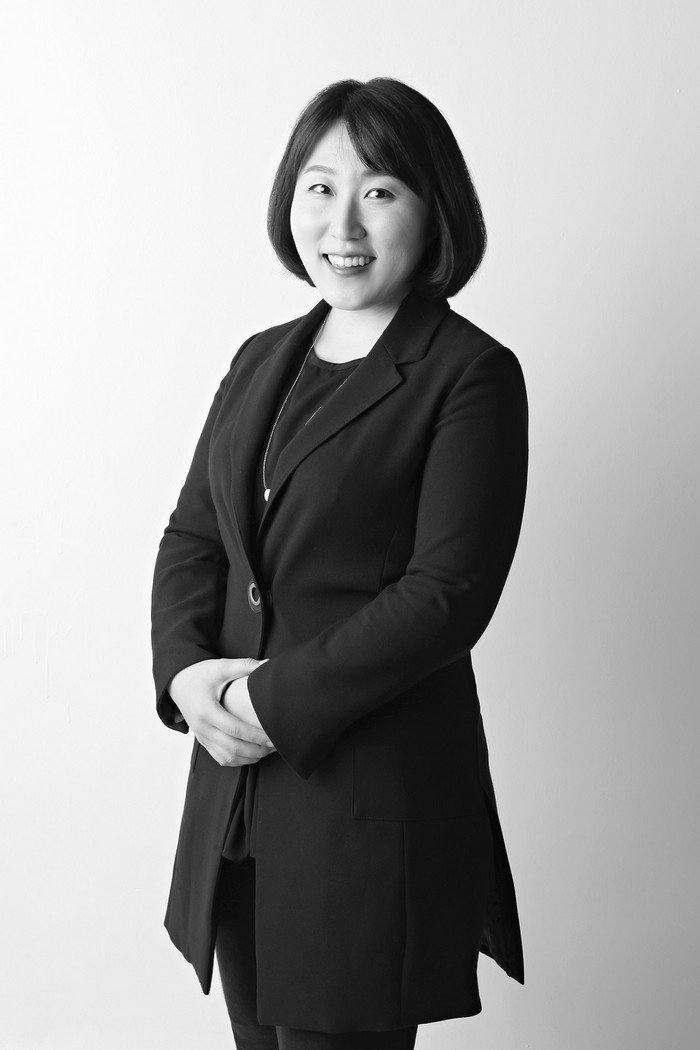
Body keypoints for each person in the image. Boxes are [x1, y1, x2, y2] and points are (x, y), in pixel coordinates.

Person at [151, 77, 527, 1050]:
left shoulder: (470, 374)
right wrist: (186, 676)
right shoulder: (259, 358)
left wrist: (264, 702)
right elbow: (195, 537)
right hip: (236, 806)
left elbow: (446, 596)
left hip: (366, 812)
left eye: (380, 191)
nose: (342, 222)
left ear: (434, 208)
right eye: (320, 188)